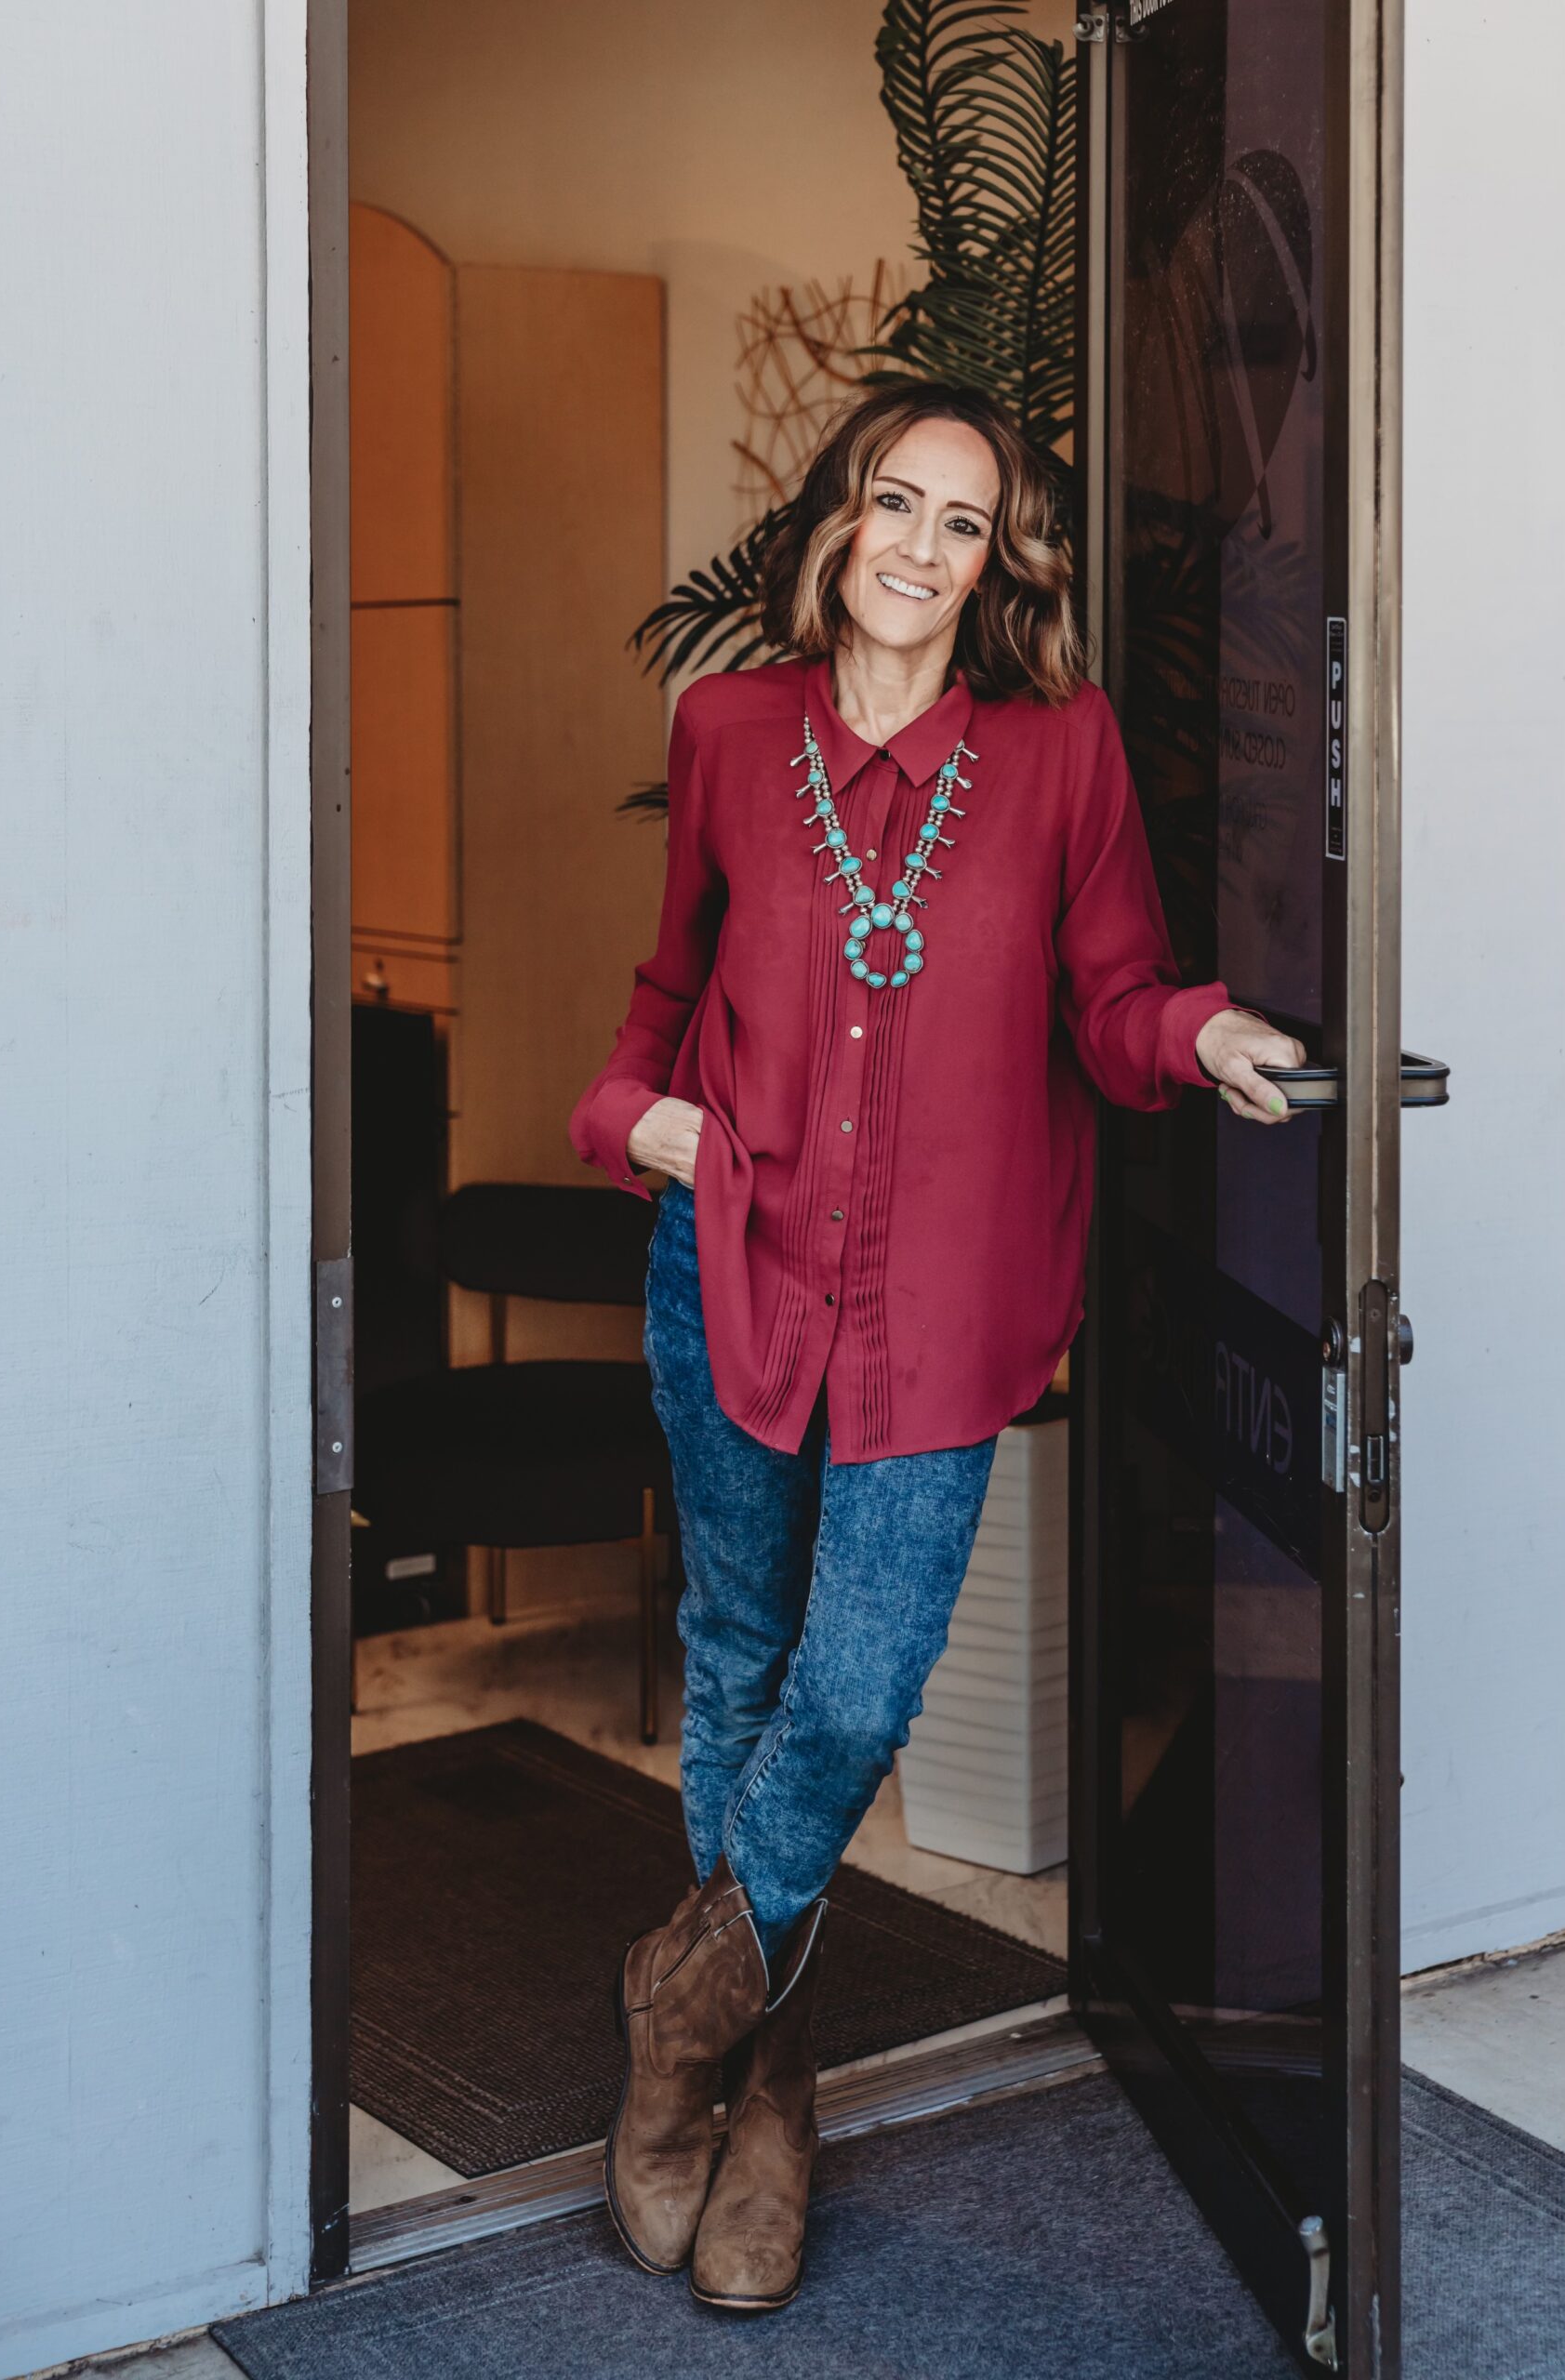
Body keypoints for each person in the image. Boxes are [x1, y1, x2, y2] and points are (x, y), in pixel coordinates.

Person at [568, 381, 1305, 2311]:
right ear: (832, 523)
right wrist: (623, 1111)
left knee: (855, 1683)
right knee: (732, 1655)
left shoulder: (1056, 753)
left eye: (959, 521)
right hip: (724, 1258)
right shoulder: (727, 727)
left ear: (997, 568)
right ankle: (775, 2090)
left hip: (941, 1305)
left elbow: (1116, 989)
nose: (914, 543)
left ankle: (674, 2026)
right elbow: (667, 981)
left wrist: (1204, 1032)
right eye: (889, 501)